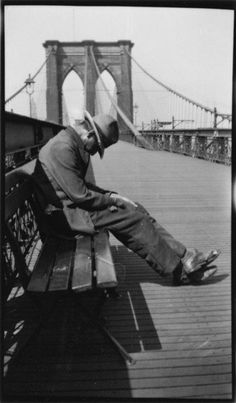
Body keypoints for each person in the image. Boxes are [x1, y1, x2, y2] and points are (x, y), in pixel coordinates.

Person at [32, 111, 220, 286]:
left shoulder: (70, 143)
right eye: (98, 146)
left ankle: (186, 255)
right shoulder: (62, 148)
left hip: (73, 209)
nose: (95, 152)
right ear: (89, 134)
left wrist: (111, 195)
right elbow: (81, 195)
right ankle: (179, 272)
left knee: (136, 208)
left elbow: (80, 188)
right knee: (131, 218)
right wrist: (113, 201)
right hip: (65, 218)